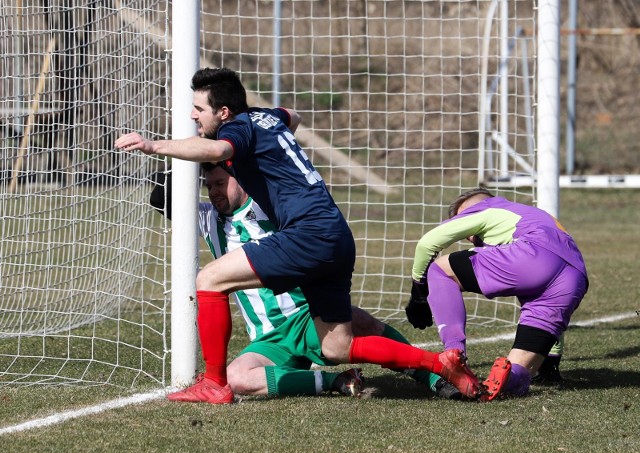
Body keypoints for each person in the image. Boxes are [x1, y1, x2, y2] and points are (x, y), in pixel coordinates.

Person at [116, 67, 481, 402]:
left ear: (224, 112)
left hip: (308, 233)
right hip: (334, 233)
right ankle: (440, 365)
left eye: (199, 109)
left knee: (209, 280)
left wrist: (153, 145)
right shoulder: (267, 119)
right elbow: (293, 115)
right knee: (338, 348)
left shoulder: (236, 130)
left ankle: (213, 385)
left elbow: (217, 149)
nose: (194, 115)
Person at [152, 162, 462, 402]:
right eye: (208, 186)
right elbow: (158, 196)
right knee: (234, 379)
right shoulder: (207, 219)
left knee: (359, 321)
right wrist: (198, 157)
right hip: (270, 338)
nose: (214, 192)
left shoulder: (268, 206)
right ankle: (337, 381)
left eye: (220, 183)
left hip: (306, 316)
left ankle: (435, 377)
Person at [405, 188, 589, 400]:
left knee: (439, 270)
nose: (469, 238)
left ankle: (454, 356)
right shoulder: (535, 215)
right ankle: (513, 380)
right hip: (575, 277)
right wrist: (550, 359)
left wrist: (418, 291)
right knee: (518, 369)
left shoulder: (485, 209)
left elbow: (427, 244)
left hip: (533, 256)